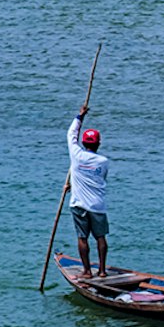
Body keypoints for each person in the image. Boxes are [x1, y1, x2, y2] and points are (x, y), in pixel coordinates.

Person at [66, 105, 110, 277]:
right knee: (101, 237)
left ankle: (86, 271)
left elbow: (71, 135)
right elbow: (101, 178)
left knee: (82, 238)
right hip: (97, 205)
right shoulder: (103, 161)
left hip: (79, 204)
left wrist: (80, 116)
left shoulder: (77, 155)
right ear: (98, 143)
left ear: (84, 143)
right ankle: (102, 270)